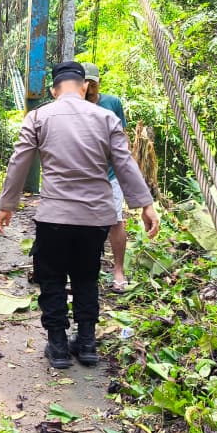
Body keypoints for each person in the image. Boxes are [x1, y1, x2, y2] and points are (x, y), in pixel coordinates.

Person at [0, 61, 159, 369]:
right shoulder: (106, 117)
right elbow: (124, 164)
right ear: (84, 87)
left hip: (54, 216)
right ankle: (86, 344)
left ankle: (57, 346)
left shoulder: (38, 116)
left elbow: (19, 162)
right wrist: (145, 205)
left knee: (52, 277)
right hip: (95, 217)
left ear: (54, 90)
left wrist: (8, 205)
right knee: (86, 277)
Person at [81, 62, 130, 292]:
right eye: (85, 81)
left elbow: (122, 136)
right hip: (83, 173)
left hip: (110, 172)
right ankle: (84, 267)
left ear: (98, 82)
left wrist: (125, 165)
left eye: (93, 81)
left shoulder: (112, 103)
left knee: (115, 219)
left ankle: (118, 269)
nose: (89, 86)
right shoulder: (73, 105)